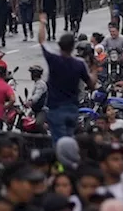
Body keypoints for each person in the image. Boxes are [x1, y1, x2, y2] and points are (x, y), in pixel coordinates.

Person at [38, 12, 95, 142]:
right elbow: (91, 84)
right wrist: (95, 68)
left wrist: (42, 22)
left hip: (56, 108)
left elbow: (42, 41)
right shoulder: (79, 64)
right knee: (70, 138)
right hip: (72, 109)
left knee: (58, 142)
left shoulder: (54, 60)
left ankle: (62, 160)